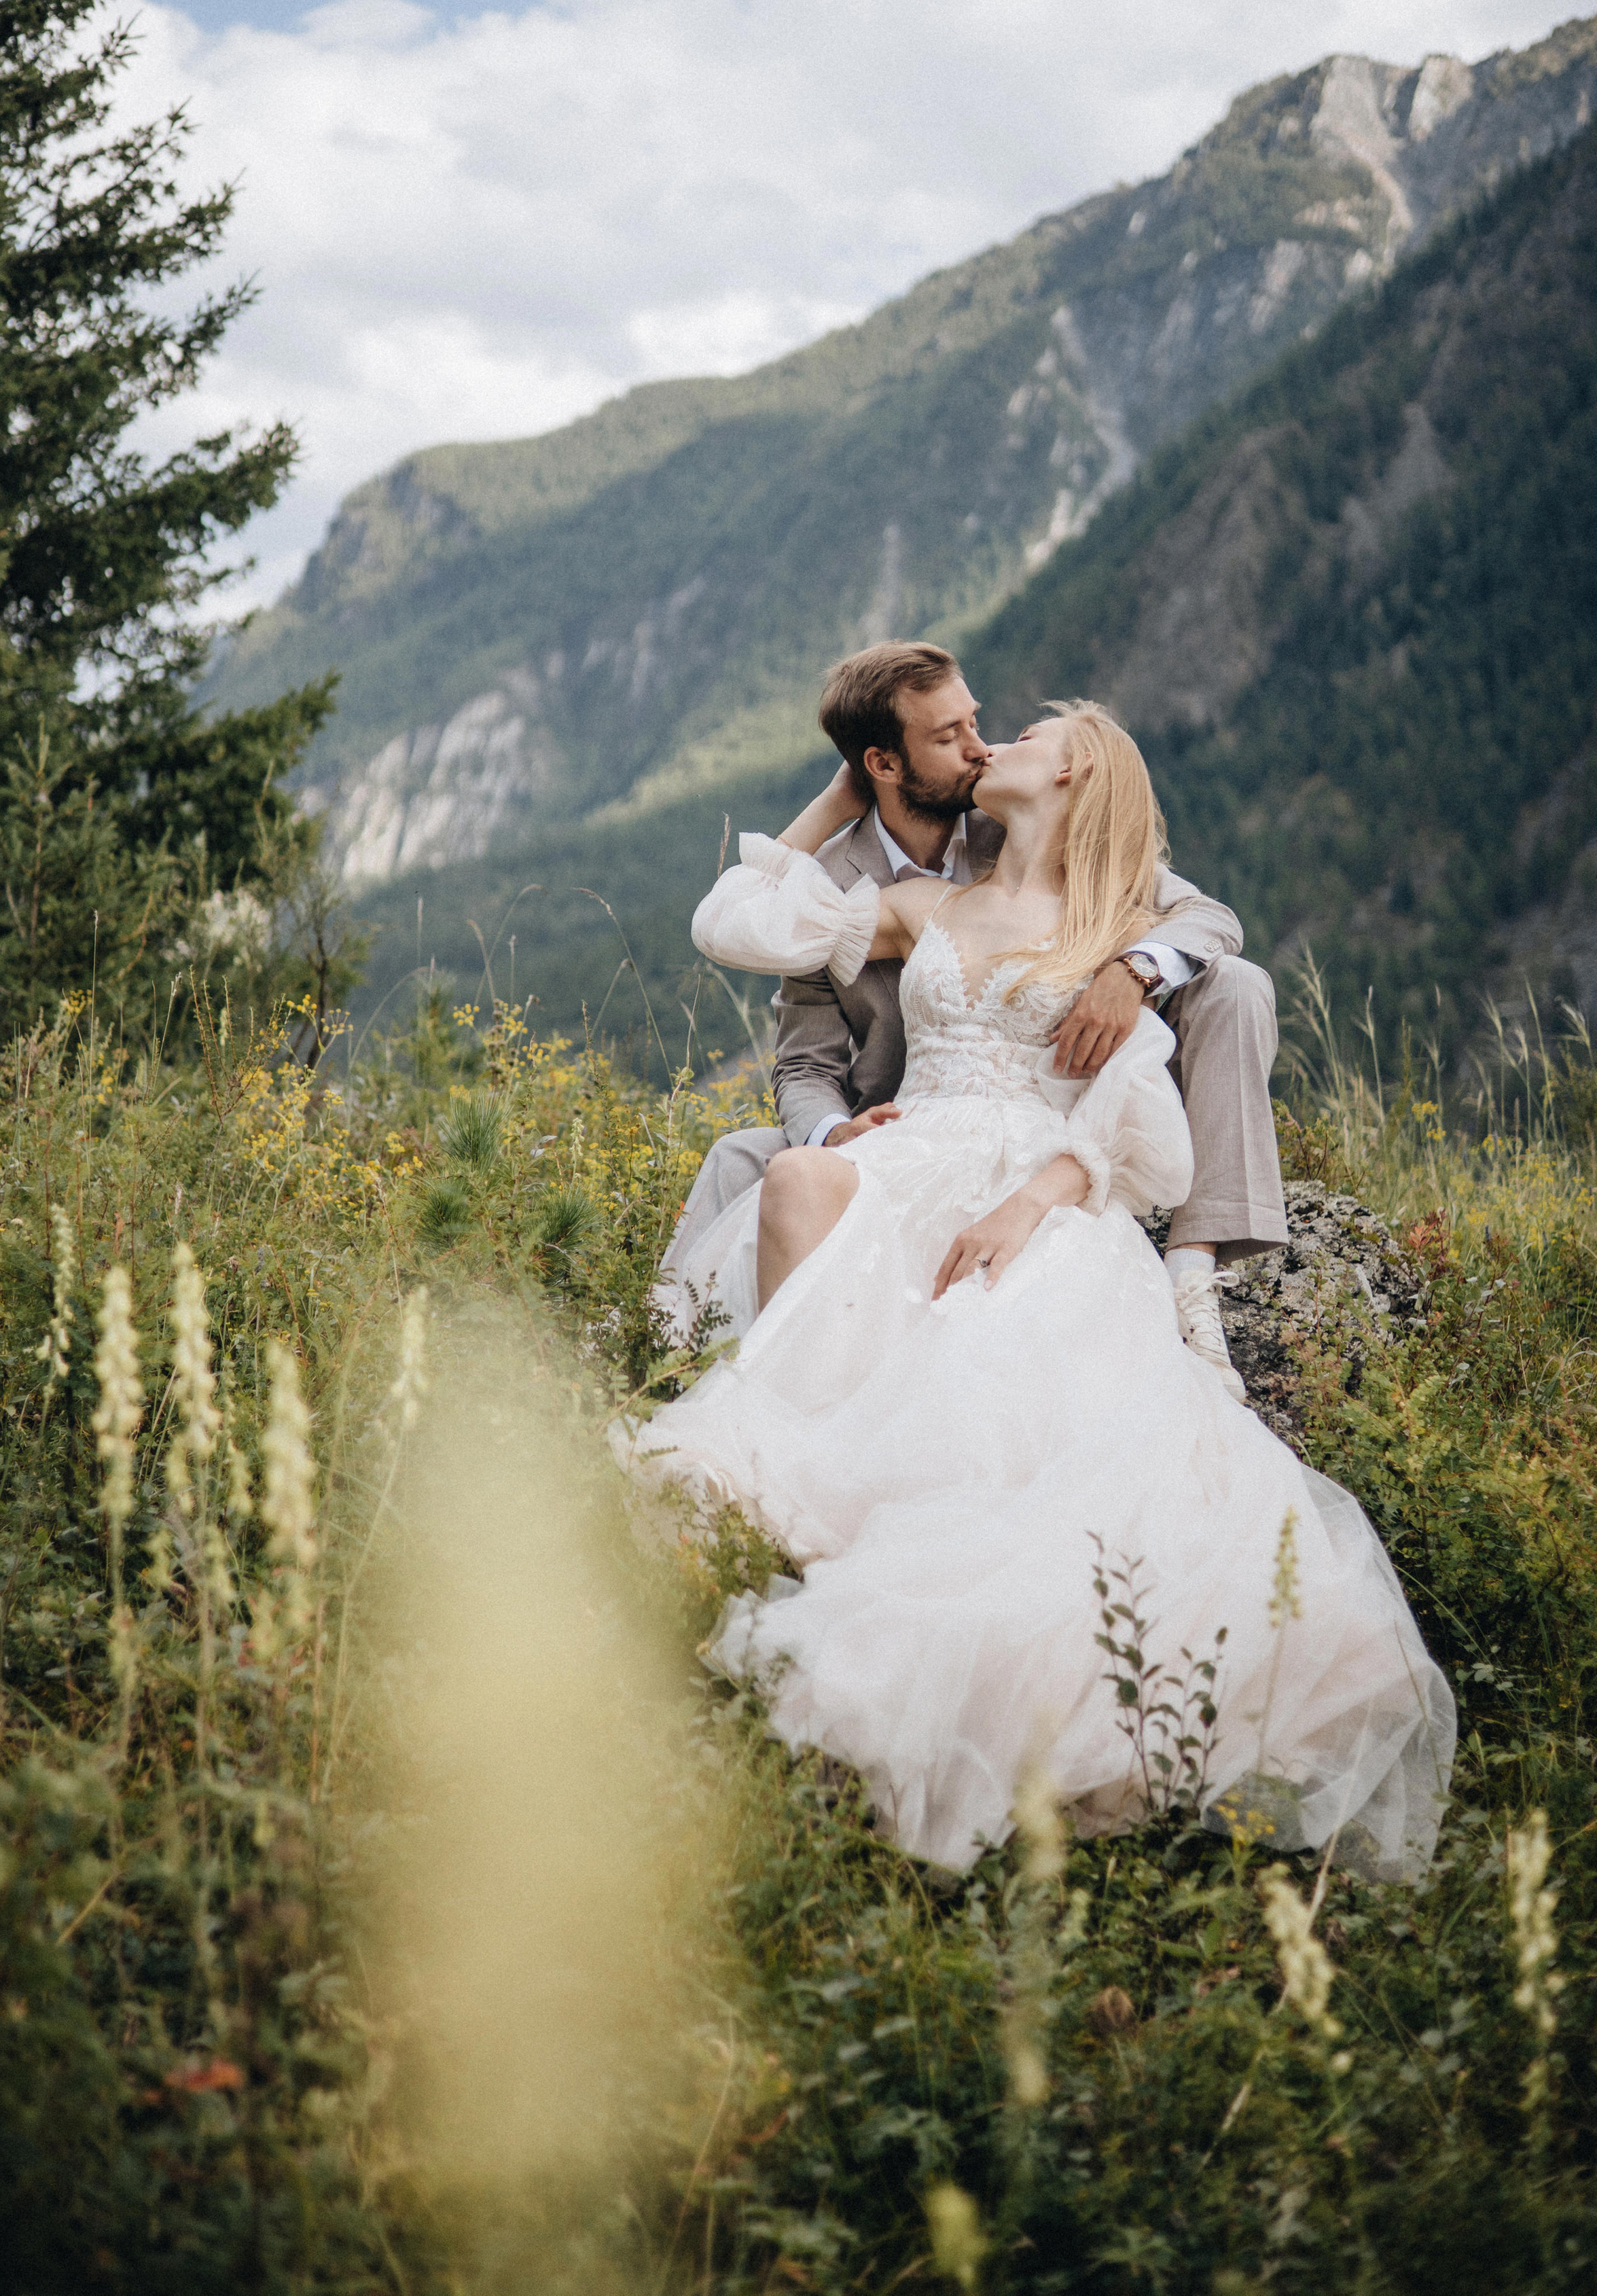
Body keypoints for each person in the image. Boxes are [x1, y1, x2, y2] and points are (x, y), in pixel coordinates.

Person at [617, 704, 1453, 1880]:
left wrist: (1036, 1199)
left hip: (1039, 1185)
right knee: (808, 1181)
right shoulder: (922, 905)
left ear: (1075, 768)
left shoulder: (1124, 922)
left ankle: (1149, 1334)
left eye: (1023, 730)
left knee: (1005, 1364)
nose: (993, 736)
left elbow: (1136, 1121)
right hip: (917, 1149)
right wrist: (848, 798)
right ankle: (818, 1471)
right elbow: (733, 924)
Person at [657, 642, 1285, 1397]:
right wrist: (834, 805)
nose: (980, 747)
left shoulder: (1060, 862)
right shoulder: (847, 888)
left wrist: (1132, 969)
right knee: (750, 1158)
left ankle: (1192, 1272)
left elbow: (1204, 917)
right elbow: (792, 1046)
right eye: (949, 736)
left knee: (1235, 983)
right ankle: (666, 1333)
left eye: (980, 726)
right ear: (883, 765)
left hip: (1038, 1117)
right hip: (896, 1116)